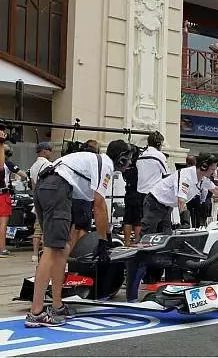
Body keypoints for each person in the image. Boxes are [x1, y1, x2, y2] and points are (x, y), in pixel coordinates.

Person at [25, 139, 133, 327]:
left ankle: (57, 305)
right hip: (58, 187)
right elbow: (99, 204)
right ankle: (36, 312)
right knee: (52, 249)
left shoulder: (92, 161)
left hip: (50, 186)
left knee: (62, 248)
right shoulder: (105, 164)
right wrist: (103, 240)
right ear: (121, 160)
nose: (130, 164)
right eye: (129, 160)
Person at [140, 153, 218, 237]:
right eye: (213, 170)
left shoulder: (202, 179)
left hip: (166, 206)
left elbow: (216, 190)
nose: (214, 173)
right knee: (147, 235)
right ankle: (140, 250)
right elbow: (181, 200)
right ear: (204, 167)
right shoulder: (186, 176)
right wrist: (186, 222)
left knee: (165, 236)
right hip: (154, 202)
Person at [125, 131, 168, 245]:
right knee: (157, 226)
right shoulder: (159, 156)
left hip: (140, 193)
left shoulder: (141, 156)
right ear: (159, 143)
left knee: (141, 223)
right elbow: (165, 174)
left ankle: (134, 244)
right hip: (154, 195)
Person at [28, 142, 54, 262]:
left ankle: (34, 254)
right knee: (47, 228)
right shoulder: (48, 165)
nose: (51, 152)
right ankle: (45, 253)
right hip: (47, 201)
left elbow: (33, 186)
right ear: (44, 151)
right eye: (49, 150)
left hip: (37, 200)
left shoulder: (33, 166)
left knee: (37, 228)